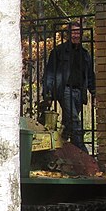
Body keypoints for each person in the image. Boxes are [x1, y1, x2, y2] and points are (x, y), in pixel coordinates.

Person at [42, 22, 96, 153]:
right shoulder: (59, 51)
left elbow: (89, 75)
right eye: (73, 32)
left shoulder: (85, 54)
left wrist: (94, 92)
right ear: (68, 35)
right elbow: (50, 73)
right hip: (65, 90)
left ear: (81, 35)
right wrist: (47, 93)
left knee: (68, 124)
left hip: (79, 92)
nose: (76, 35)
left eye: (78, 32)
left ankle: (59, 151)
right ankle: (82, 153)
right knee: (75, 122)